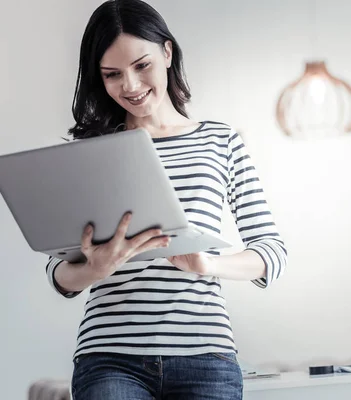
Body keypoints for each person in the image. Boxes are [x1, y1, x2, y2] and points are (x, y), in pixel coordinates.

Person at [44, 0, 287, 399]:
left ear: (168, 52)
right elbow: (57, 271)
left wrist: (209, 265)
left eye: (142, 66)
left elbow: (272, 252)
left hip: (205, 356)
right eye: (112, 75)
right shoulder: (91, 150)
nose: (131, 87)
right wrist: (95, 269)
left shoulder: (220, 141)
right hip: (109, 357)